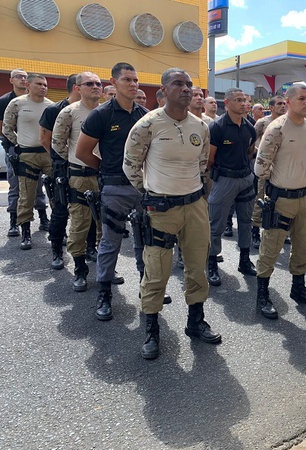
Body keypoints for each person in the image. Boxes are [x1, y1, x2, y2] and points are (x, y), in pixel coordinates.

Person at [124, 68, 221, 360]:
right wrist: (151, 192)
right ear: (163, 92)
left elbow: (203, 163)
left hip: (194, 206)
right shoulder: (148, 124)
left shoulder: (201, 126)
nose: (186, 89)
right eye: (178, 84)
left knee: (196, 266)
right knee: (156, 271)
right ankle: (152, 330)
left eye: (189, 84)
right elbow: (130, 165)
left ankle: (195, 321)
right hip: (160, 209)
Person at [76, 62, 170, 321]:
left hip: (143, 188)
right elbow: (82, 152)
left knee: (146, 240)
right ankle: (104, 293)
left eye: (136, 79)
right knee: (110, 242)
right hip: (115, 186)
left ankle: (147, 288)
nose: (133, 84)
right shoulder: (101, 114)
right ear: (114, 82)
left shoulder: (145, 114)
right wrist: (106, 170)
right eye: (127, 79)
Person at [254, 84, 306, 319]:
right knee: (271, 248)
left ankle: (298, 287)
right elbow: (260, 167)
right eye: (302, 98)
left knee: (302, 245)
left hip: (305, 197)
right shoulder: (277, 128)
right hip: (280, 198)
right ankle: (262, 294)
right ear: (288, 101)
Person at [52, 72, 103, 291]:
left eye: (99, 83)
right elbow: (58, 143)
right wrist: (75, 161)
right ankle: (80, 270)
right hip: (80, 177)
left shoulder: (107, 111)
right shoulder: (69, 112)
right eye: (89, 83)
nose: (95, 87)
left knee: (105, 226)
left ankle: (105, 268)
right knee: (80, 225)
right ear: (78, 88)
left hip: (105, 176)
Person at [206, 88, 257, 287]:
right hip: (224, 180)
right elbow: (210, 158)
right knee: (215, 225)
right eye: (238, 100)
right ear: (226, 103)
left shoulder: (249, 126)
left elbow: (250, 149)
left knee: (246, 221)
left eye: (244, 100)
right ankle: (211, 263)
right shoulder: (217, 127)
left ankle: (244, 260)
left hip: (245, 178)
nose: (243, 103)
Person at [2, 73, 54, 250]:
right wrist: (19, 144)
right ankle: (25, 232)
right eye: (39, 84)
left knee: (55, 193)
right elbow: (7, 128)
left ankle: (55, 228)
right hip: (27, 155)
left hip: (48, 154)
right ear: (29, 85)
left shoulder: (51, 106)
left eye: (45, 84)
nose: (43, 87)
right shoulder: (17, 103)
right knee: (26, 195)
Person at [250, 95, 286, 249]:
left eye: (284, 103)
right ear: (271, 107)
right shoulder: (262, 123)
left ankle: (277, 231)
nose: (283, 106)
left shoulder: (288, 123)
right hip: (265, 168)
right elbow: (251, 141)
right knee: (260, 199)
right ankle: (255, 231)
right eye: (279, 104)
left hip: (282, 169)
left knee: (279, 202)